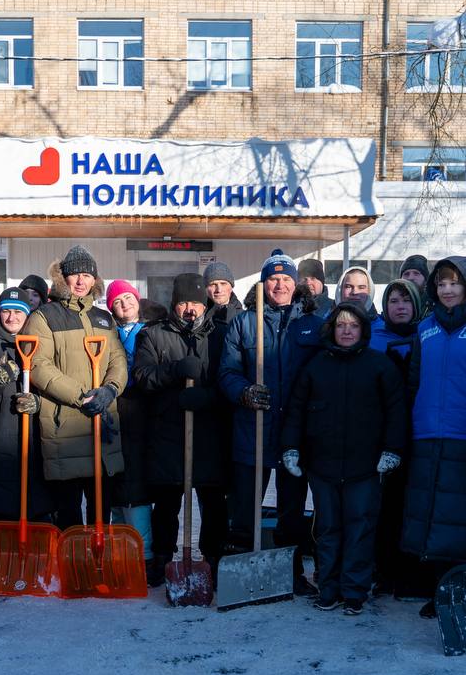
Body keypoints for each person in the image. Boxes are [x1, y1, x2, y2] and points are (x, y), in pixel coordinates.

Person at [281, 301, 406, 614]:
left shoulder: (380, 366)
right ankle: (329, 588)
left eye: (353, 325)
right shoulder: (316, 366)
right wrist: (291, 447)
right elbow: (296, 409)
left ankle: (354, 590)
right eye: (341, 325)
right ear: (331, 330)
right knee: (327, 529)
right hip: (322, 465)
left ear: (362, 330)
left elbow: (397, 412)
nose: (347, 331)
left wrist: (392, 449)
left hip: (365, 466)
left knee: (360, 528)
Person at [218, 249, 320, 596]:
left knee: (292, 512)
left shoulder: (311, 324)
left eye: (286, 279)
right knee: (245, 510)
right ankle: (246, 573)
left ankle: (291, 574)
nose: (279, 285)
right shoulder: (245, 322)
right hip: (253, 430)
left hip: (295, 432)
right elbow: (227, 372)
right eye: (273, 279)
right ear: (263, 284)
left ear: (296, 285)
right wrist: (244, 391)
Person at [400, 256, 466, 616]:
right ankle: (440, 589)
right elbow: (414, 380)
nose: (448, 289)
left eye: (455, 282)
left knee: (463, 515)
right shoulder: (425, 328)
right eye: (441, 283)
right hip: (427, 432)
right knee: (432, 514)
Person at [133, 273, 230, 585]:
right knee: (166, 505)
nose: (191, 310)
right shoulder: (153, 334)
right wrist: (174, 370)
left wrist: (209, 397)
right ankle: (163, 557)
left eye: (197, 304)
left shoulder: (221, 334)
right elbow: (143, 377)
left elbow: (229, 379)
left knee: (213, 503)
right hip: (168, 435)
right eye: (184, 303)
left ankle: (212, 558)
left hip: (209, 435)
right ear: (174, 304)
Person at [22, 245, 128, 528]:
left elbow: (118, 359)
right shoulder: (44, 317)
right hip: (64, 427)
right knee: (68, 515)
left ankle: (96, 566)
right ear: (62, 278)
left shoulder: (104, 318)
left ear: (95, 279)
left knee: (100, 515)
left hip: (101, 426)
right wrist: (82, 397)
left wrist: (110, 390)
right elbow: (40, 366)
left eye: (86, 274)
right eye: (74, 275)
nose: (80, 281)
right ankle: (70, 569)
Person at [0, 287, 54, 527]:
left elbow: (54, 388)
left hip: (38, 441)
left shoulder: (42, 344)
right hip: (1, 440)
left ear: (28, 314)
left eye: (18, 312)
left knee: (38, 508)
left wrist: (39, 403)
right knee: (1, 510)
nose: (12, 317)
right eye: (6, 311)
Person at [369, 277, 426, 596]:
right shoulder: (373, 338)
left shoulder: (428, 336)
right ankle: (383, 568)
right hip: (381, 435)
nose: (400, 306)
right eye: (393, 301)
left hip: (419, 433)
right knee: (384, 506)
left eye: (406, 300)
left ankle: (411, 571)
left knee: (412, 502)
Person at [105, 279, 161, 577]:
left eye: (128, 298)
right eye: (117, 301)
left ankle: (145, 553)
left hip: (143, 417)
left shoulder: (151, 332)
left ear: (137, 301)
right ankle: (120, 551)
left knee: (136, 487)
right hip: (113, 415)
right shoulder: (106, 334)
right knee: (115, 484)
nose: (124, 304)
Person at [203, 261, 242, 328]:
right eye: (213, 284)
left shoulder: (243, 318)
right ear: (205, 288)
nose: (219, 290)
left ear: (231, 287)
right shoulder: (197, 317)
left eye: (223, 284)